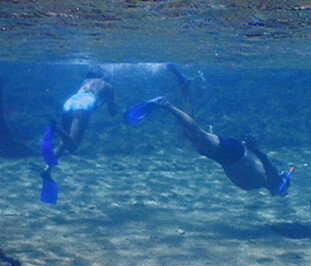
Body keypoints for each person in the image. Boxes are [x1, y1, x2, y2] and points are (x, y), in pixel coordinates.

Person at [124, 64, 292, 196]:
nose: (274, 192)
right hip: (233, 153)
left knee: (189, 133)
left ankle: (184, 86)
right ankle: (164, 104)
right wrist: (253, 147)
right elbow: (265, 159)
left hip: (225, 157)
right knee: (196, 134)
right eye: (277, 189)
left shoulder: (258, 184)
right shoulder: (272, 176)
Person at [42, 67, 118, 178]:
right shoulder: (108, 86)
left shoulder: (86, 82)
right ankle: (56, 127)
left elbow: (90, 97)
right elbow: (113, 112)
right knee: (72, 146)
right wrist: (113, 99)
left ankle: (47, 169)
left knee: (64, 142)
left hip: (70, 102)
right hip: (83, 106)